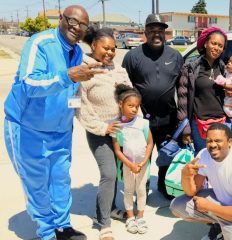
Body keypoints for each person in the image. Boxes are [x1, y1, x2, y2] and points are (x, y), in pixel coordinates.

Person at [3, 5, 102, 240]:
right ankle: (47, 232)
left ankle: (63, 227)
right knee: (37, 183)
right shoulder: (40, 43)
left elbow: (71, 94)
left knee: (60, 181)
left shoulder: (77, 53)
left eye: (83, 25)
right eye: (72, 21)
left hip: (59, 131)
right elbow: (28, 84)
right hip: (27, 128)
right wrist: (67, 75)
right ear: (61, 19)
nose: (76, 28)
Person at [75, 26, 132, 240]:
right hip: (99, 132)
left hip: (122, 130)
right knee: (108, 174)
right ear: (93, 46)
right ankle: (104, 222)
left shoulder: (117, 69)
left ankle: (111, 208)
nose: (110, 52)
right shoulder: (83, 69)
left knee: (116, 174)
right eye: (105, 48)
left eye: (113, 48)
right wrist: (103, 128)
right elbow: (81, 107)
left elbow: (130, 95)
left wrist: (137, 122)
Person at [122, 14, 183, 200]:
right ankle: (142, 188)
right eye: (152, 30)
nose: (156, 34)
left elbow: (184, 87)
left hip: (168, 118)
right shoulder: (132, 56)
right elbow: (124, 87)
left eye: (160, 31)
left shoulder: (175, 56)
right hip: (140, 120)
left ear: (165, 33)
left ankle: (164, 186)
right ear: (145, 32)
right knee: (141, 157)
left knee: (167, 156)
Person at [170, 123, 232, 240]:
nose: (213, 145)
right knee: (177, 206)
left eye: (218, 141)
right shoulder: (204, 154)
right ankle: (221, 225)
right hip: (223, 203)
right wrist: (185, 176)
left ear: (229, 142)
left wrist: (209, 207)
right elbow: (191, 192)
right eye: (209, 141)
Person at [177, 27, 232, 154]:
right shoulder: (191, 67)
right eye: (213, 43)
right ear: (205, 43)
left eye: (220, 45)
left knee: (221, 163)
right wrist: (185, 129)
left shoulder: (224, 68)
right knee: (203, 163)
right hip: (199, 125)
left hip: (223, 123)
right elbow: (182, 99)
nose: (216, 48)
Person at [111, 84, 154, 235]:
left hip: (143, 165)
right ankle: (130, 217)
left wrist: (143, 162)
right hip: (127, 165)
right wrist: (129, 164)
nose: (134, 109)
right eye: (130, 106)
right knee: (128, 190)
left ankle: (140, 217)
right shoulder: (116, 126)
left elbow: (150, 143)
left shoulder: (143, 123)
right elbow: (117, 150)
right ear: (120, 104)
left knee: (141, 191)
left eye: (136, 106)